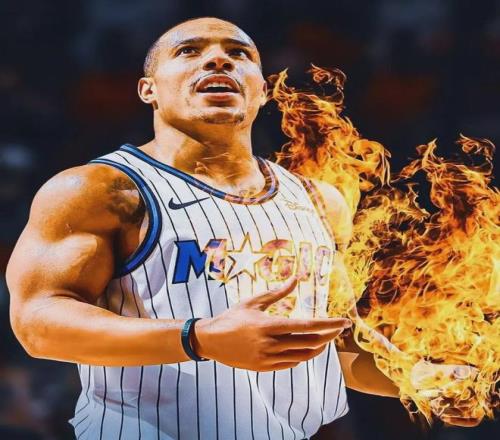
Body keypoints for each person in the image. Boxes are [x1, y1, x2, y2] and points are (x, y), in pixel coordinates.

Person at [6, 17, 477, 440]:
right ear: (149, 89)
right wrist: (199, 338)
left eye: (239, 53)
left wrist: (417, 379)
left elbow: (339, 343)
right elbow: (37, 325)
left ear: (262, 90)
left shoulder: (319, 200)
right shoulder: (101, 189)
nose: (218, 59)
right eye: (189, 51)